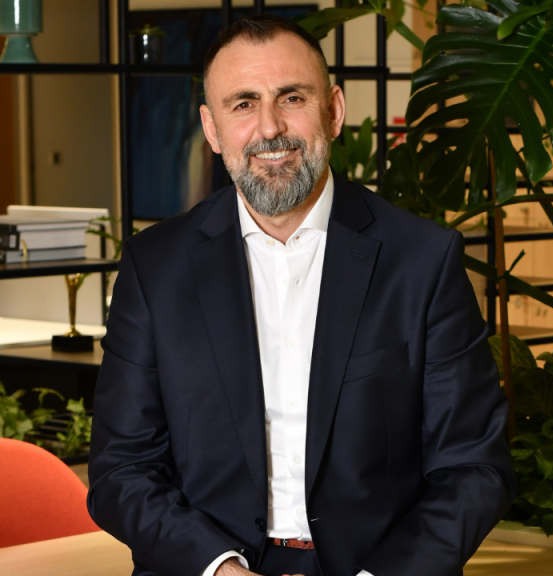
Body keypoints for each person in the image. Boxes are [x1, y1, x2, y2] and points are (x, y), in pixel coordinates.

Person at [87, 14, 514, 576]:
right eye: (243, 104)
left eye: (291, 98)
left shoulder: (422, 261)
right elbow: (121, 470)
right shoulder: (155, 267)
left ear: (333, 111)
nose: (269, 128)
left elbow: (474, 469)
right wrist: (220, 569)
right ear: (212, 129)